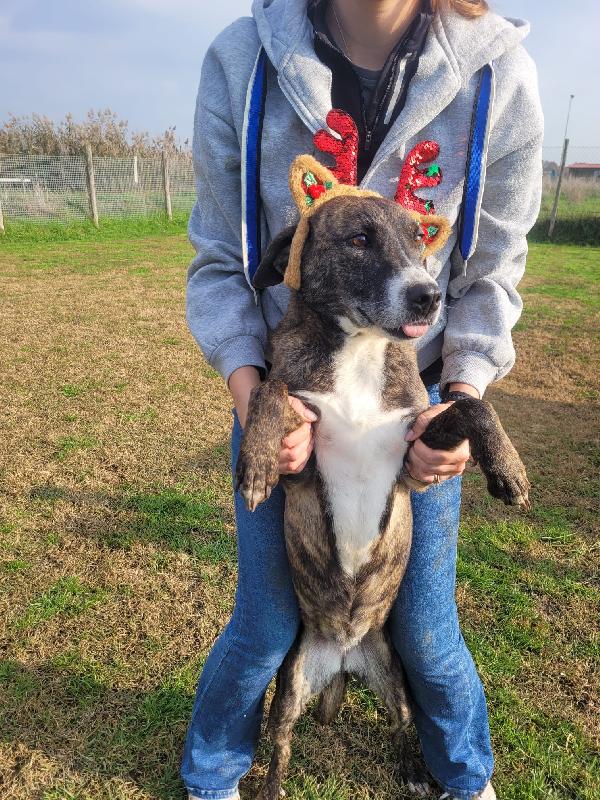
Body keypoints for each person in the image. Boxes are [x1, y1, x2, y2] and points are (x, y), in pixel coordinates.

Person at [182, 1, 543, 798]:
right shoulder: (244, 59)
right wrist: (253, 401)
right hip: (284, 403)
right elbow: (219, 260)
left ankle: (466, 778)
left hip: (416, 407)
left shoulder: (496, 73)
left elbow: (489, 271)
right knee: (265, 627)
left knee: (427, 631)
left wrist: (465, 401)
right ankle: (211, 777)